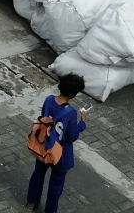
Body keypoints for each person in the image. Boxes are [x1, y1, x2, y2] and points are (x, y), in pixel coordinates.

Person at [26, 73, 90, 213]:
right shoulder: (71, 112)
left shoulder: (49, 100)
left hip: (44, 146)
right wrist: (82, 123)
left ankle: (31, 203)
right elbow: (71, 136)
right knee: (56, 183)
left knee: (38, 174)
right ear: (73, 94)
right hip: (60, 153)